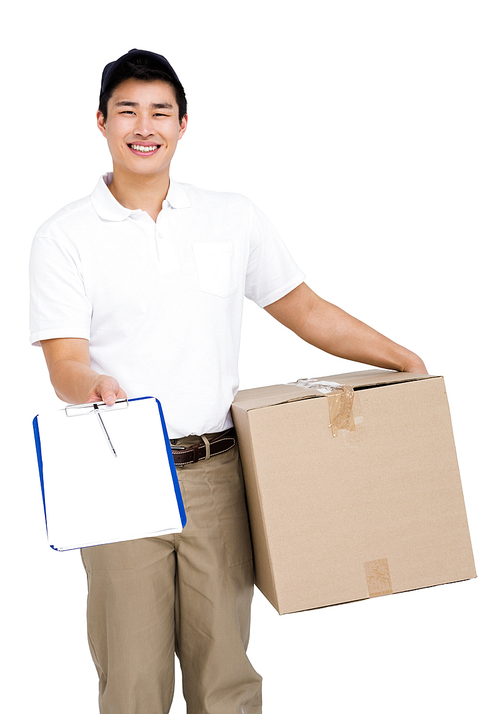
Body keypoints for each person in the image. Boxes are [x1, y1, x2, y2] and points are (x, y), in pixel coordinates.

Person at [29, 49, 427, 714]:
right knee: (132, 680)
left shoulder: (231, 217)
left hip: (217, 470)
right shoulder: (64, 236)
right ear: (101, 122)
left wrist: (401, 359)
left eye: (160, 111)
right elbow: (64, 360)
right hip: (119, 470)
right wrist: (92, 385)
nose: (144, 125)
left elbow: (303, 308)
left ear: (184, 124)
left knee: (226, 676)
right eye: (127, 110)